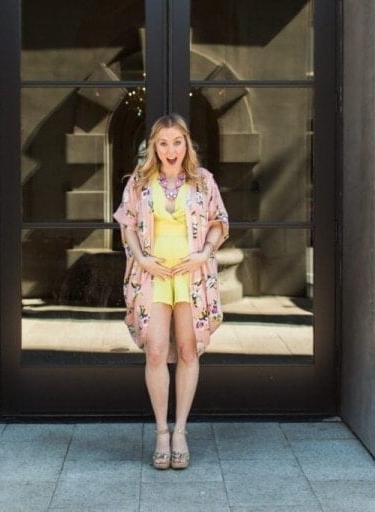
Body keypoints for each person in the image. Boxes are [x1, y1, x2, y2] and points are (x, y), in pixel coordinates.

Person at [113, 113, 229, 470]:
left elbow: (218, 223)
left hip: (191, 275)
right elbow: (127, 223)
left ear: (186, 144)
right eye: (163, 143)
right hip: (153, 275)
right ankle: (161, 433)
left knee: (189, 350)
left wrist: (203, 254)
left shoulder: (203, 181)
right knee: (155, 351)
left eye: (176, 142)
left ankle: (181, 432)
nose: (170, 150)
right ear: (153, 147)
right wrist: (141, 259)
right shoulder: (139, 182)